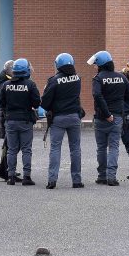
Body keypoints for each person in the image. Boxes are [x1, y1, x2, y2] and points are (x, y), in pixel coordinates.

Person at [89, 50, 129, 186]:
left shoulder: (98, 78)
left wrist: (107, 113)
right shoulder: (122, 77)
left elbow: (97, 95)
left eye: (96, 64)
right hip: (117, 117)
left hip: (101, 118)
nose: (95, 67)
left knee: (101, 147)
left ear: (101, 64)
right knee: (114, 147)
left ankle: (102, 176)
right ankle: (111, 177)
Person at [41, 53, 85, 189]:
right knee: (75, 149)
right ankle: (77, 180)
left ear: (58, 65)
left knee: (55, 148)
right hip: (74, 117)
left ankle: (52, 180)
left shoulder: (54, 80)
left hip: (58, 118)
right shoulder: (77, 79)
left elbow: (45, 102)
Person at [0, 58, 41, 186]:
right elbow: (36, 103)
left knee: (11, 149)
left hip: (10, 120)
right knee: (26, 149)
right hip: (25, 121)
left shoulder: (6, 85)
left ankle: (10, 176)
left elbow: (1, 104)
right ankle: (27, 177)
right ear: (26, 70)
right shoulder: (30, 85)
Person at [0, 60, 19, 181]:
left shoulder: (3, 80)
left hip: (5, 114)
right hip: (6, 115)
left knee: (9, 143)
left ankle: (7, 168)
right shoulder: (4, 82)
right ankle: (4, 169)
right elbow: (4, 101)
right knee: (9, 144)